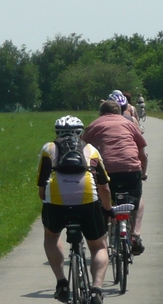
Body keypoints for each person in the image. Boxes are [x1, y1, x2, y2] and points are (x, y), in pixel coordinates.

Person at [36, 115, 114, 304]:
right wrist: (107, 209)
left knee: (51, 237)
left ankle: (62, 283)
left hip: (56, 202)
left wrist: (49, 202)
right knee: (98, 246)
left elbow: (41, 188)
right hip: (88, 200)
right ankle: (96, 289)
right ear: (81, 132)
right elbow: (104, 187)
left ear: (57, 132)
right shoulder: (91, 150)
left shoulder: (48, 149)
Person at [82, 100, 148, 255]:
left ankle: (103, 232)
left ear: (101, 113)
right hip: (131, 170)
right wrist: (143, 172)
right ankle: (135, 234)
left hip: (106, 171)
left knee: (102, 201)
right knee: (136, 200)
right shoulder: (130, 124)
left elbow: (82, 148)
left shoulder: (94, 125)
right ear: (119, 112)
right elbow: (142, 154)